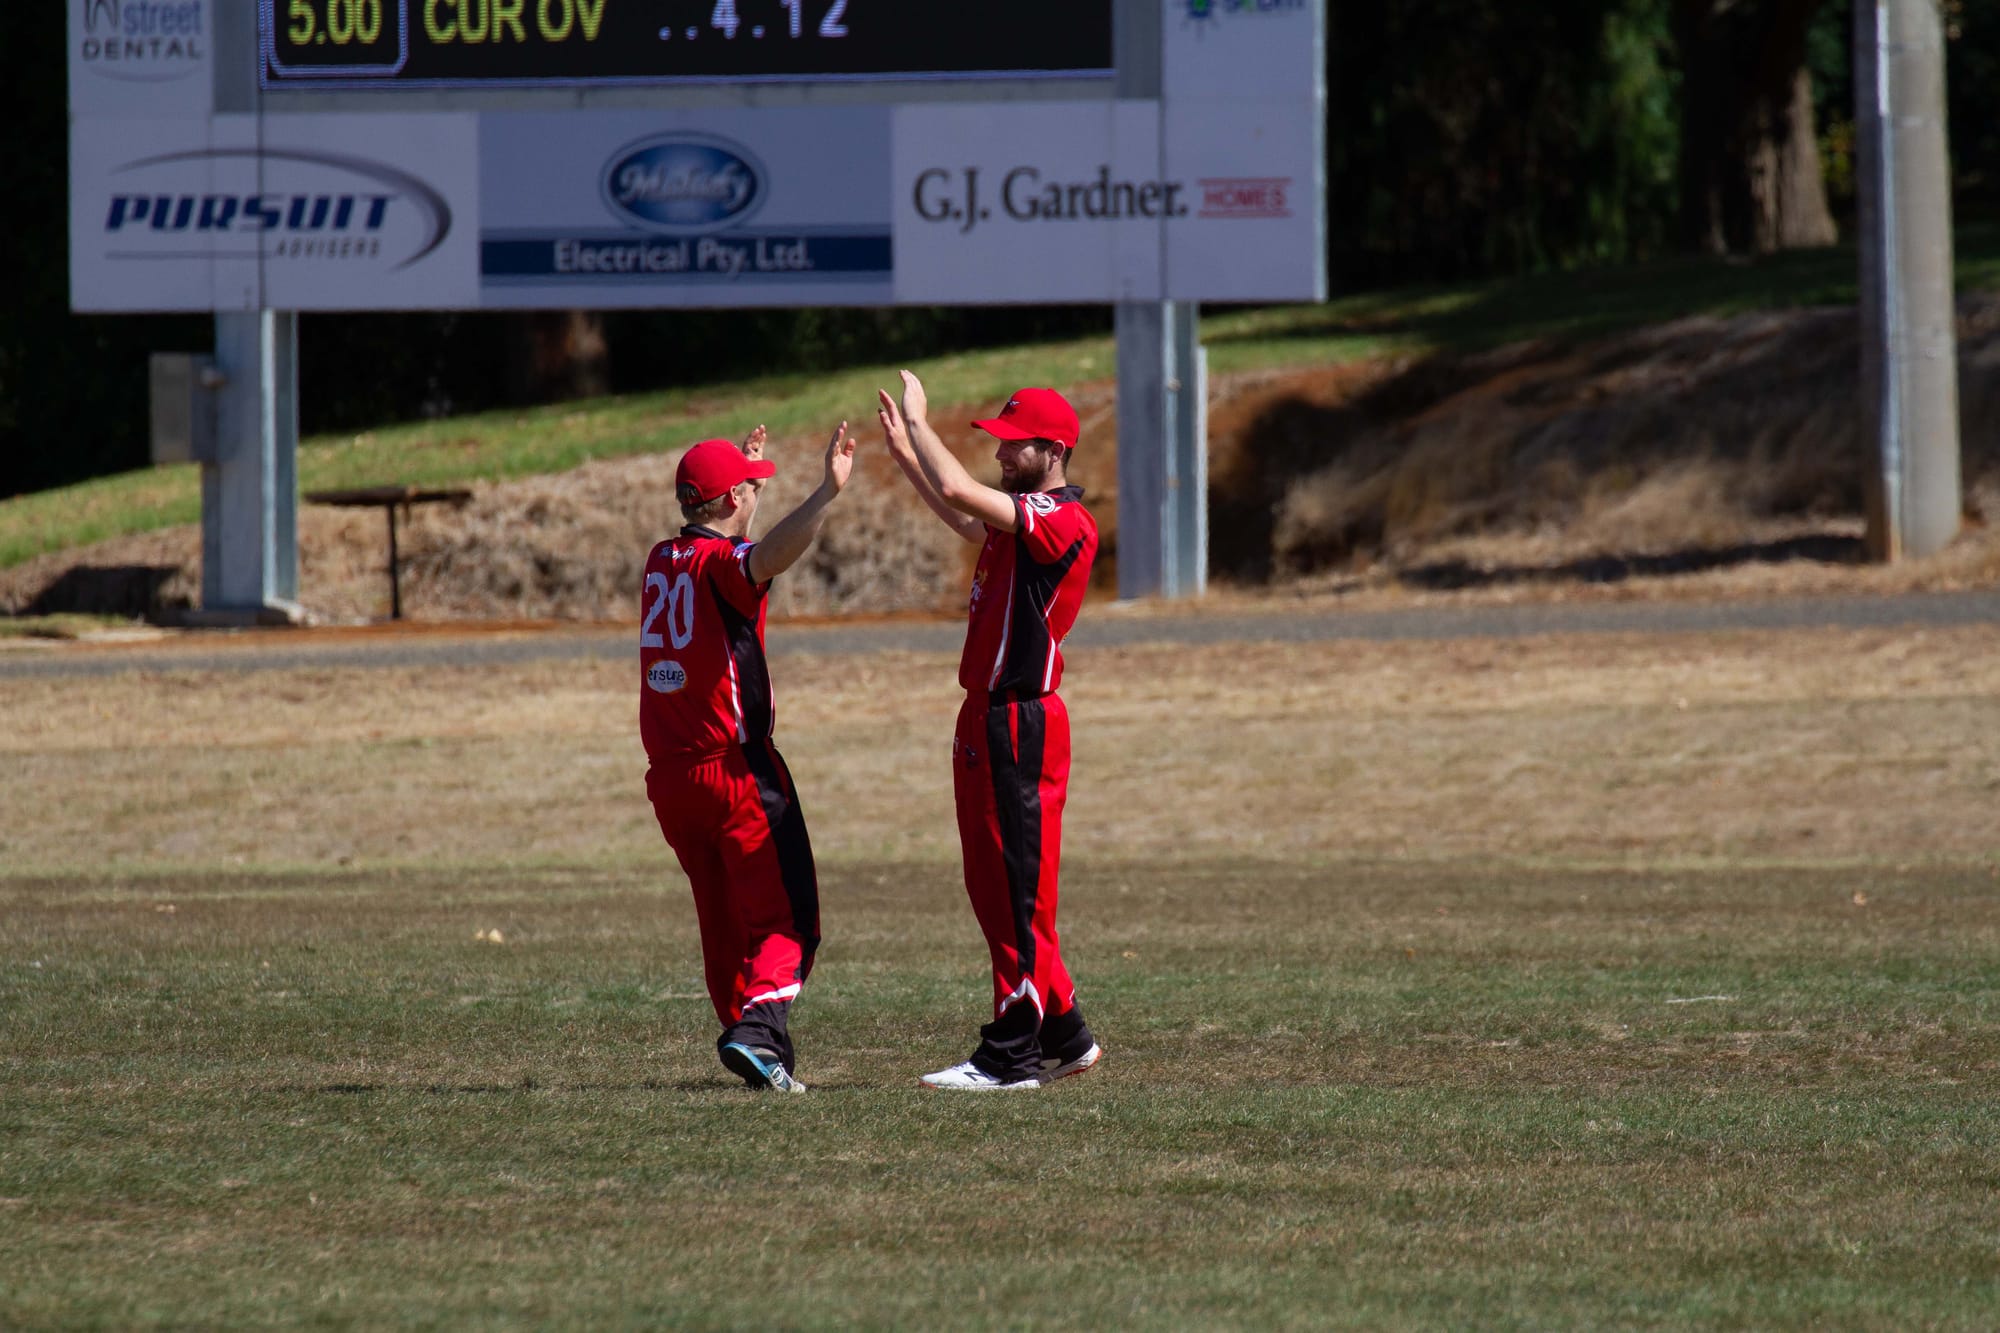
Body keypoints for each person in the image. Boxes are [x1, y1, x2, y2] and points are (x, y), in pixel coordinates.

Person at [876, 371, 1104, 1091]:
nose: (1002, 455)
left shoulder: (1062, 519)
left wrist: (922, 424)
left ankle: (1012, 1055)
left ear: (1055, 448)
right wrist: (908, 454)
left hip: (1022, 721)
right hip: (984, 716)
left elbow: (961, 495)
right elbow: (965, 516)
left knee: (1015, 892)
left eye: (1015, 445)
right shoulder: (1020, 518)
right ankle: (1065, 1035)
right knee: (992, 883)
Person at [640, 422, 854, 1093]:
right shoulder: (721, 568)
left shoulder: (660, 558)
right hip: (734, 770)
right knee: (789, 918)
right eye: (748, 488)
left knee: (723, 920)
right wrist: (823, 494)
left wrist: (744, 483)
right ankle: (760, 1028)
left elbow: (729, 532)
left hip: (671, 779)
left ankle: (755, 1044)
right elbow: (767, 557)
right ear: (732, 499)